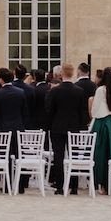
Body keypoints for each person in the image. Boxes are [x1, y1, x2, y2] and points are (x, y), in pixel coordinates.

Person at [45, 64, 92, 194]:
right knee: (74, 155)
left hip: (57, 127)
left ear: (61, 74)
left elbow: (49, 110)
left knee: (58, 157)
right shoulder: (79, 91)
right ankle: (74, 186)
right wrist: (81, 125)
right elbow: (83, 111)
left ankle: (60, 186)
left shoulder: (55, 91)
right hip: (74, 127)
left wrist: (49, 125)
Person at [90, 67, 111, 194]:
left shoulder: (100, 90)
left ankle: (102, 183)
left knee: (100, 154)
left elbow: (94, 110)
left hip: (101, 122)